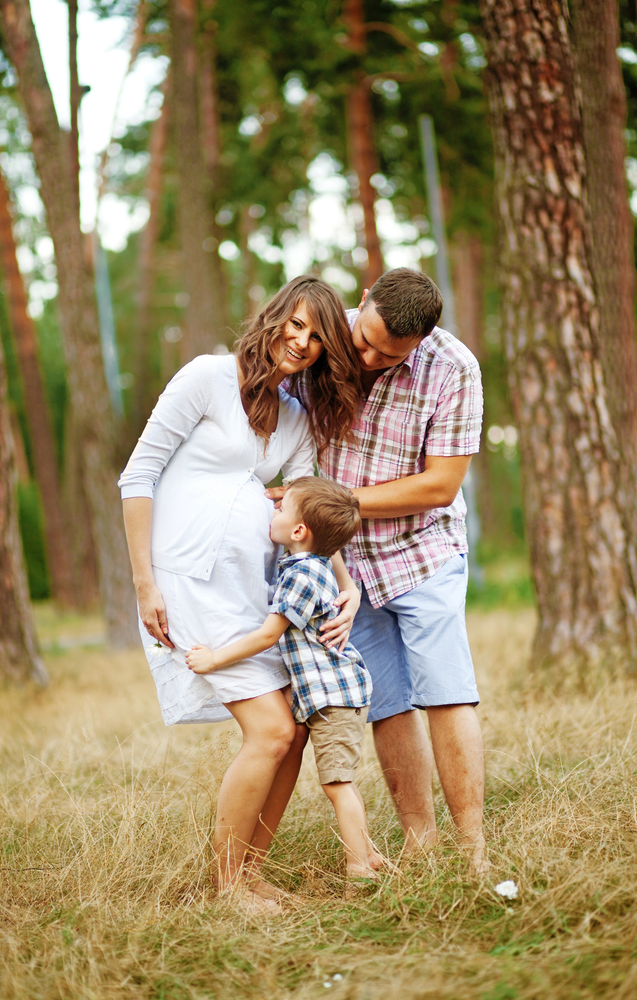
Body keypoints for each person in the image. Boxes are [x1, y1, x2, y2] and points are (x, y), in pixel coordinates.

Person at [119, 276, 363, 912]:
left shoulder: (296, 418)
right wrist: (145, 582)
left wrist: (347, 586)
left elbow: (310, 503)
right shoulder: (206, 377)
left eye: (318, 337)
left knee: (295, 731)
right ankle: (228, 887)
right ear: (275, 316)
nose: (302, 342)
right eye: (297, 324)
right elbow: (138, 474)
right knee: (271, 730)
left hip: (253, 589)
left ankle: (250, 874)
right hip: (187, 578)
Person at [271, 267, 487, 874]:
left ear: (420, 343)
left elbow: (440, 485)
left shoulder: (454, 369)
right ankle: (421, 842)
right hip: (345, 563)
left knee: (446, 692)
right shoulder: (321, 338)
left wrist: (333, 501)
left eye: (388, 356)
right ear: (363, 300)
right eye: (364, 341)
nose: (366, 358)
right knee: (387, 701)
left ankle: (472, 852)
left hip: (423, 551)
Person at [186, 477, 376, 885]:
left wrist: (215, 659)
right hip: (333, 694)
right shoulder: (308, 567)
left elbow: (267, 636)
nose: (273, 512)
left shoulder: (301, 575)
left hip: (334, 698)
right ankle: (369, 855)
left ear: (299, 530)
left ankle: (360, 867)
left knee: (338, 784)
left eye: (281, 508)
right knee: (340, 780)